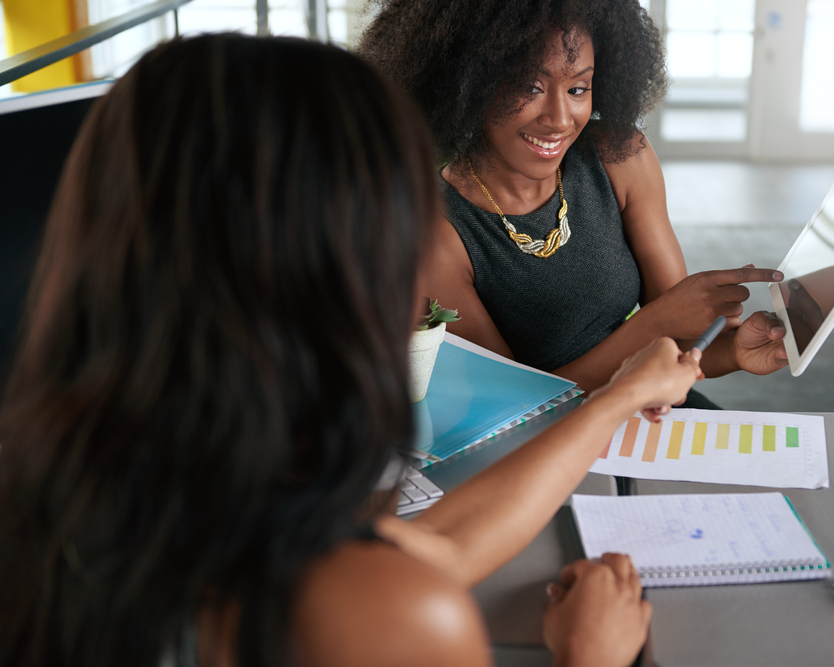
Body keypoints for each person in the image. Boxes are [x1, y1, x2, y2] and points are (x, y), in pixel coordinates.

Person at [0, 34, 703, 667]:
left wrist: (620, 397)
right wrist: (589, 659)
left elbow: (443, 546)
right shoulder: (381, 615)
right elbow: (395, 584)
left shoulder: (81, 484)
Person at [358, 0, 789, 394]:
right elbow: (514, 406)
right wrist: (651, 326)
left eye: (578, 89)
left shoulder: (620, 157)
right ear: (467, 85)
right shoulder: (433, 233)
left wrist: (732, 353)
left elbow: (682, 344)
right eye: (529, 86)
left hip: (648, 408)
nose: (560, 119)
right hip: (542, 451)